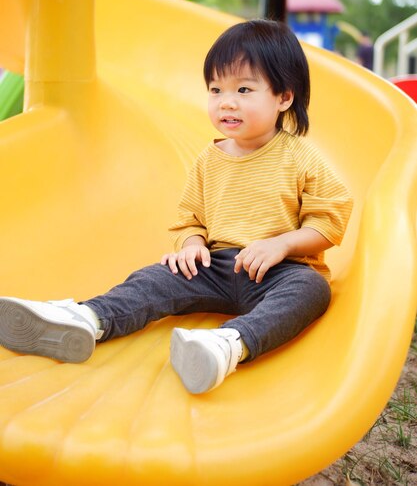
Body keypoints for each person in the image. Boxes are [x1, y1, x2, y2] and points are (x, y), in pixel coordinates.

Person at [0, 20, 353, 394]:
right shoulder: (208, 159)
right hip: (216, 267)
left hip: (280, 270)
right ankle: (86, 318)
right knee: (153, 279)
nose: (226, 101)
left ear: (283, 97)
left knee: (311, 290)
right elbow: (189, 220)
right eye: (215, 90)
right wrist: (192, 246)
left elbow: (328, 222)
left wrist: (281, 244)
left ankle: (227, 345)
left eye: (244, 89)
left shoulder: (300, 156)